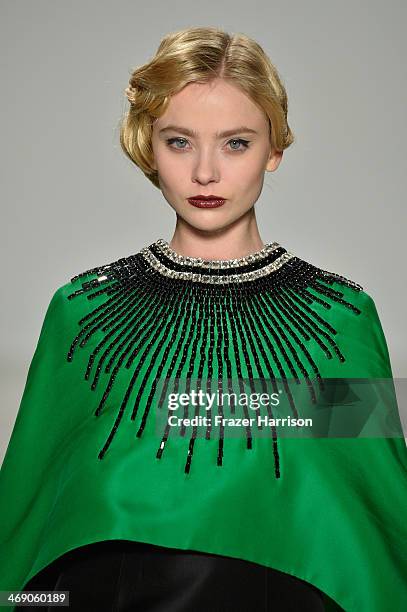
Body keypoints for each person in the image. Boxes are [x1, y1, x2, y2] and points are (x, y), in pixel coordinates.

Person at [0, 26, 406, 612]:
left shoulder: (343, 321)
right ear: (148, 147)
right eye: (180, 142)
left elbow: (376, 538)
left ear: (275, 148)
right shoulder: (81, 314)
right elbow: (27, 543)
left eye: (236, 143)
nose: (206, 172)